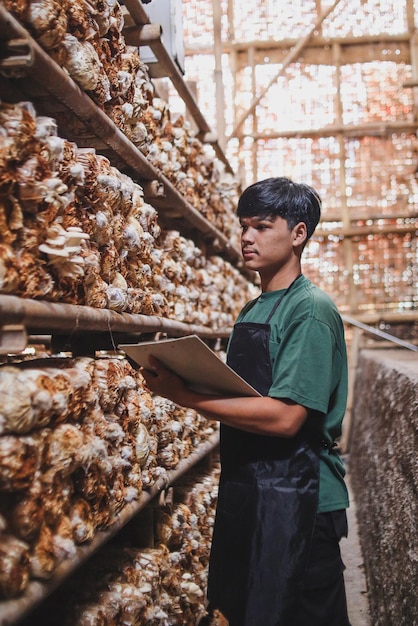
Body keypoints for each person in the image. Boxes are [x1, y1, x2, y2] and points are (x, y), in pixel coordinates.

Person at [141, 177, 351, 626]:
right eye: (244, 226)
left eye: (261, 226)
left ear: (298, 234)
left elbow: (286, 417)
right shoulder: (254, 309)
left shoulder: (310, 310)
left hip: (303, 498)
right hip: (255, 489)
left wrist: (187, 396)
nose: (246, 237)